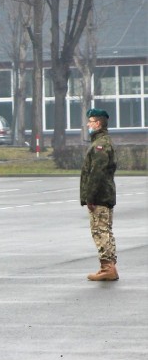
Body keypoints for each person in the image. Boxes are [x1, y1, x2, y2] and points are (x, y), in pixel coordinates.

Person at [80, 108, 119, 281]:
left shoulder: (100, 145)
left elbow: (97, 173)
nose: (88, 124)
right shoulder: (103, 142)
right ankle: (110, 267)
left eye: (90, 121)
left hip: (100, 197)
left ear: (98, 123)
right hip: (105, 195)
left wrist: (90, 197)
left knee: (100, 231)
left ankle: (107, 267)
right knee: (106, 230)